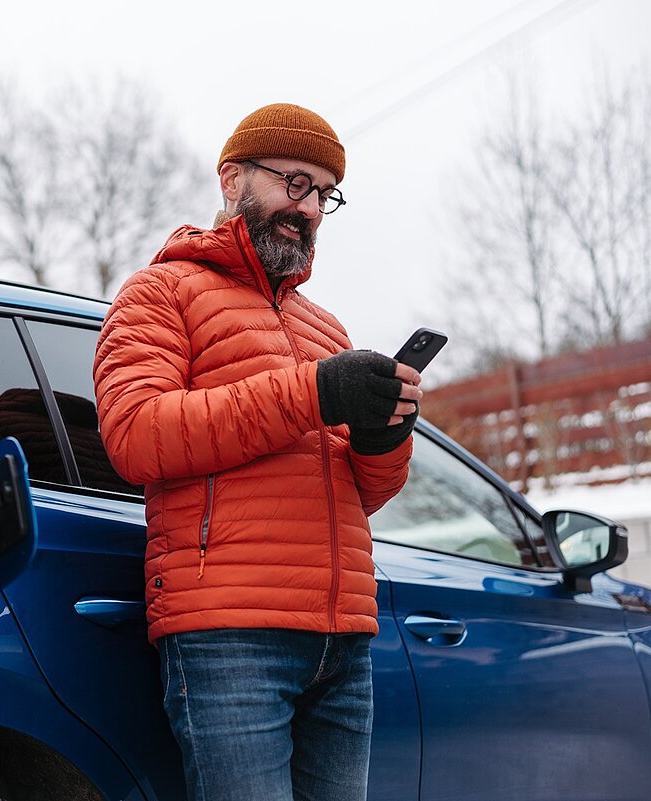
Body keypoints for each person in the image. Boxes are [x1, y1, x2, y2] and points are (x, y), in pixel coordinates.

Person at [92, 103, 423, 801]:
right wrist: (314, 393)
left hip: (342, 637)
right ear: (231, 178)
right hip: (231, 635)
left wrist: (384, 436)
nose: (308, 209)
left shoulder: (325, 327)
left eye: (324, 194)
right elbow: (137, 433)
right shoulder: (160, 292)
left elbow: (362, 494)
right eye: (293, 183)